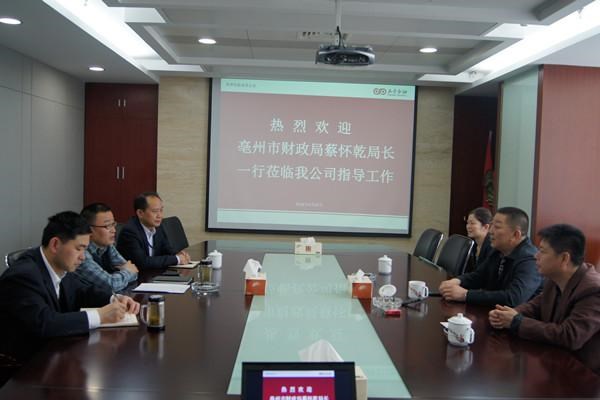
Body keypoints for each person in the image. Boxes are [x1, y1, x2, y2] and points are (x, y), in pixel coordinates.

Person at [0, 211, 140, 363]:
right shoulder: (23, 275)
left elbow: (82, 291)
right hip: (25, 365)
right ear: (55, 244)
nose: (83, 257)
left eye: (85, 249)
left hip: (55, 352)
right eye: (79, 248)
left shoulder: (59, 266)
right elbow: (45, 323)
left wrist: (114, 298)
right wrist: (100, 315)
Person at [489, 224, 600, 374]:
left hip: (583, 375)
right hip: (556, 363)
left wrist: (516, 322)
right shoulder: (555, 279)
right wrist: (506, 314)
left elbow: (570, 336)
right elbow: (535, 306)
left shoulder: (593, 291)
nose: (536, 256)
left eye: (542, 251)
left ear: (564, 258)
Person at [438, 207, 542, 307]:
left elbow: (513, 298)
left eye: (497, 227)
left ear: (516, 234)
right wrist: (457, 281)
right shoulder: (498, 249)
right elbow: (479, 276)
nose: (491, 231)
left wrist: (465, 295)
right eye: (491, 225)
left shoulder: (530, 260)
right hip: (493, 312)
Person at [116, 192, 190, 269]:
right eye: (155, 211)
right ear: (140, 213)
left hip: (152, 273)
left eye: (161, 210)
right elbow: (142, 262)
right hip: (136, 275)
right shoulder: (130, 232)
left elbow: (166, 250)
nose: (159, 215)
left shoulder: (157, 227)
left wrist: (179, 255)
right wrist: (176, 259)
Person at [75, 203, 139, 292]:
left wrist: (124, 273)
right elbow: (111, 285)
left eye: (113, 224)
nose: (114, 230)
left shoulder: (107, 245)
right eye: (108, 226)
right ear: (89, 229)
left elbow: (134, 270)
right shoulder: (81, 254)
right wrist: (126, 272)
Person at [465, 207, 493, 272]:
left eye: (472, 223)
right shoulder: (473, 244)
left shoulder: (491, 247)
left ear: (485, 227)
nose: (468, 226)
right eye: (467, 223)